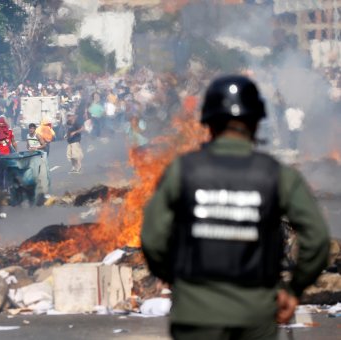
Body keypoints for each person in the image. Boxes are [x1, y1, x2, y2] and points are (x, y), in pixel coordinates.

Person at [141, 75, 330, 340]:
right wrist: (293, 290)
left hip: (196, 314)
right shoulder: (278, 175)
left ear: (209, 123)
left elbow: (152, 238)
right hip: (255, 315)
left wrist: (176, 279)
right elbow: (318, 240)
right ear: (255, 123)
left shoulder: (182, 171)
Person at [0, 117, 17, 192]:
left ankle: (1, 190)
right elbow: (14, 142)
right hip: (8, 156)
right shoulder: (9, 131)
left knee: (0, 174)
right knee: (8, 172)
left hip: (0, 156)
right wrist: (16, 152)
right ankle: (7, 188)